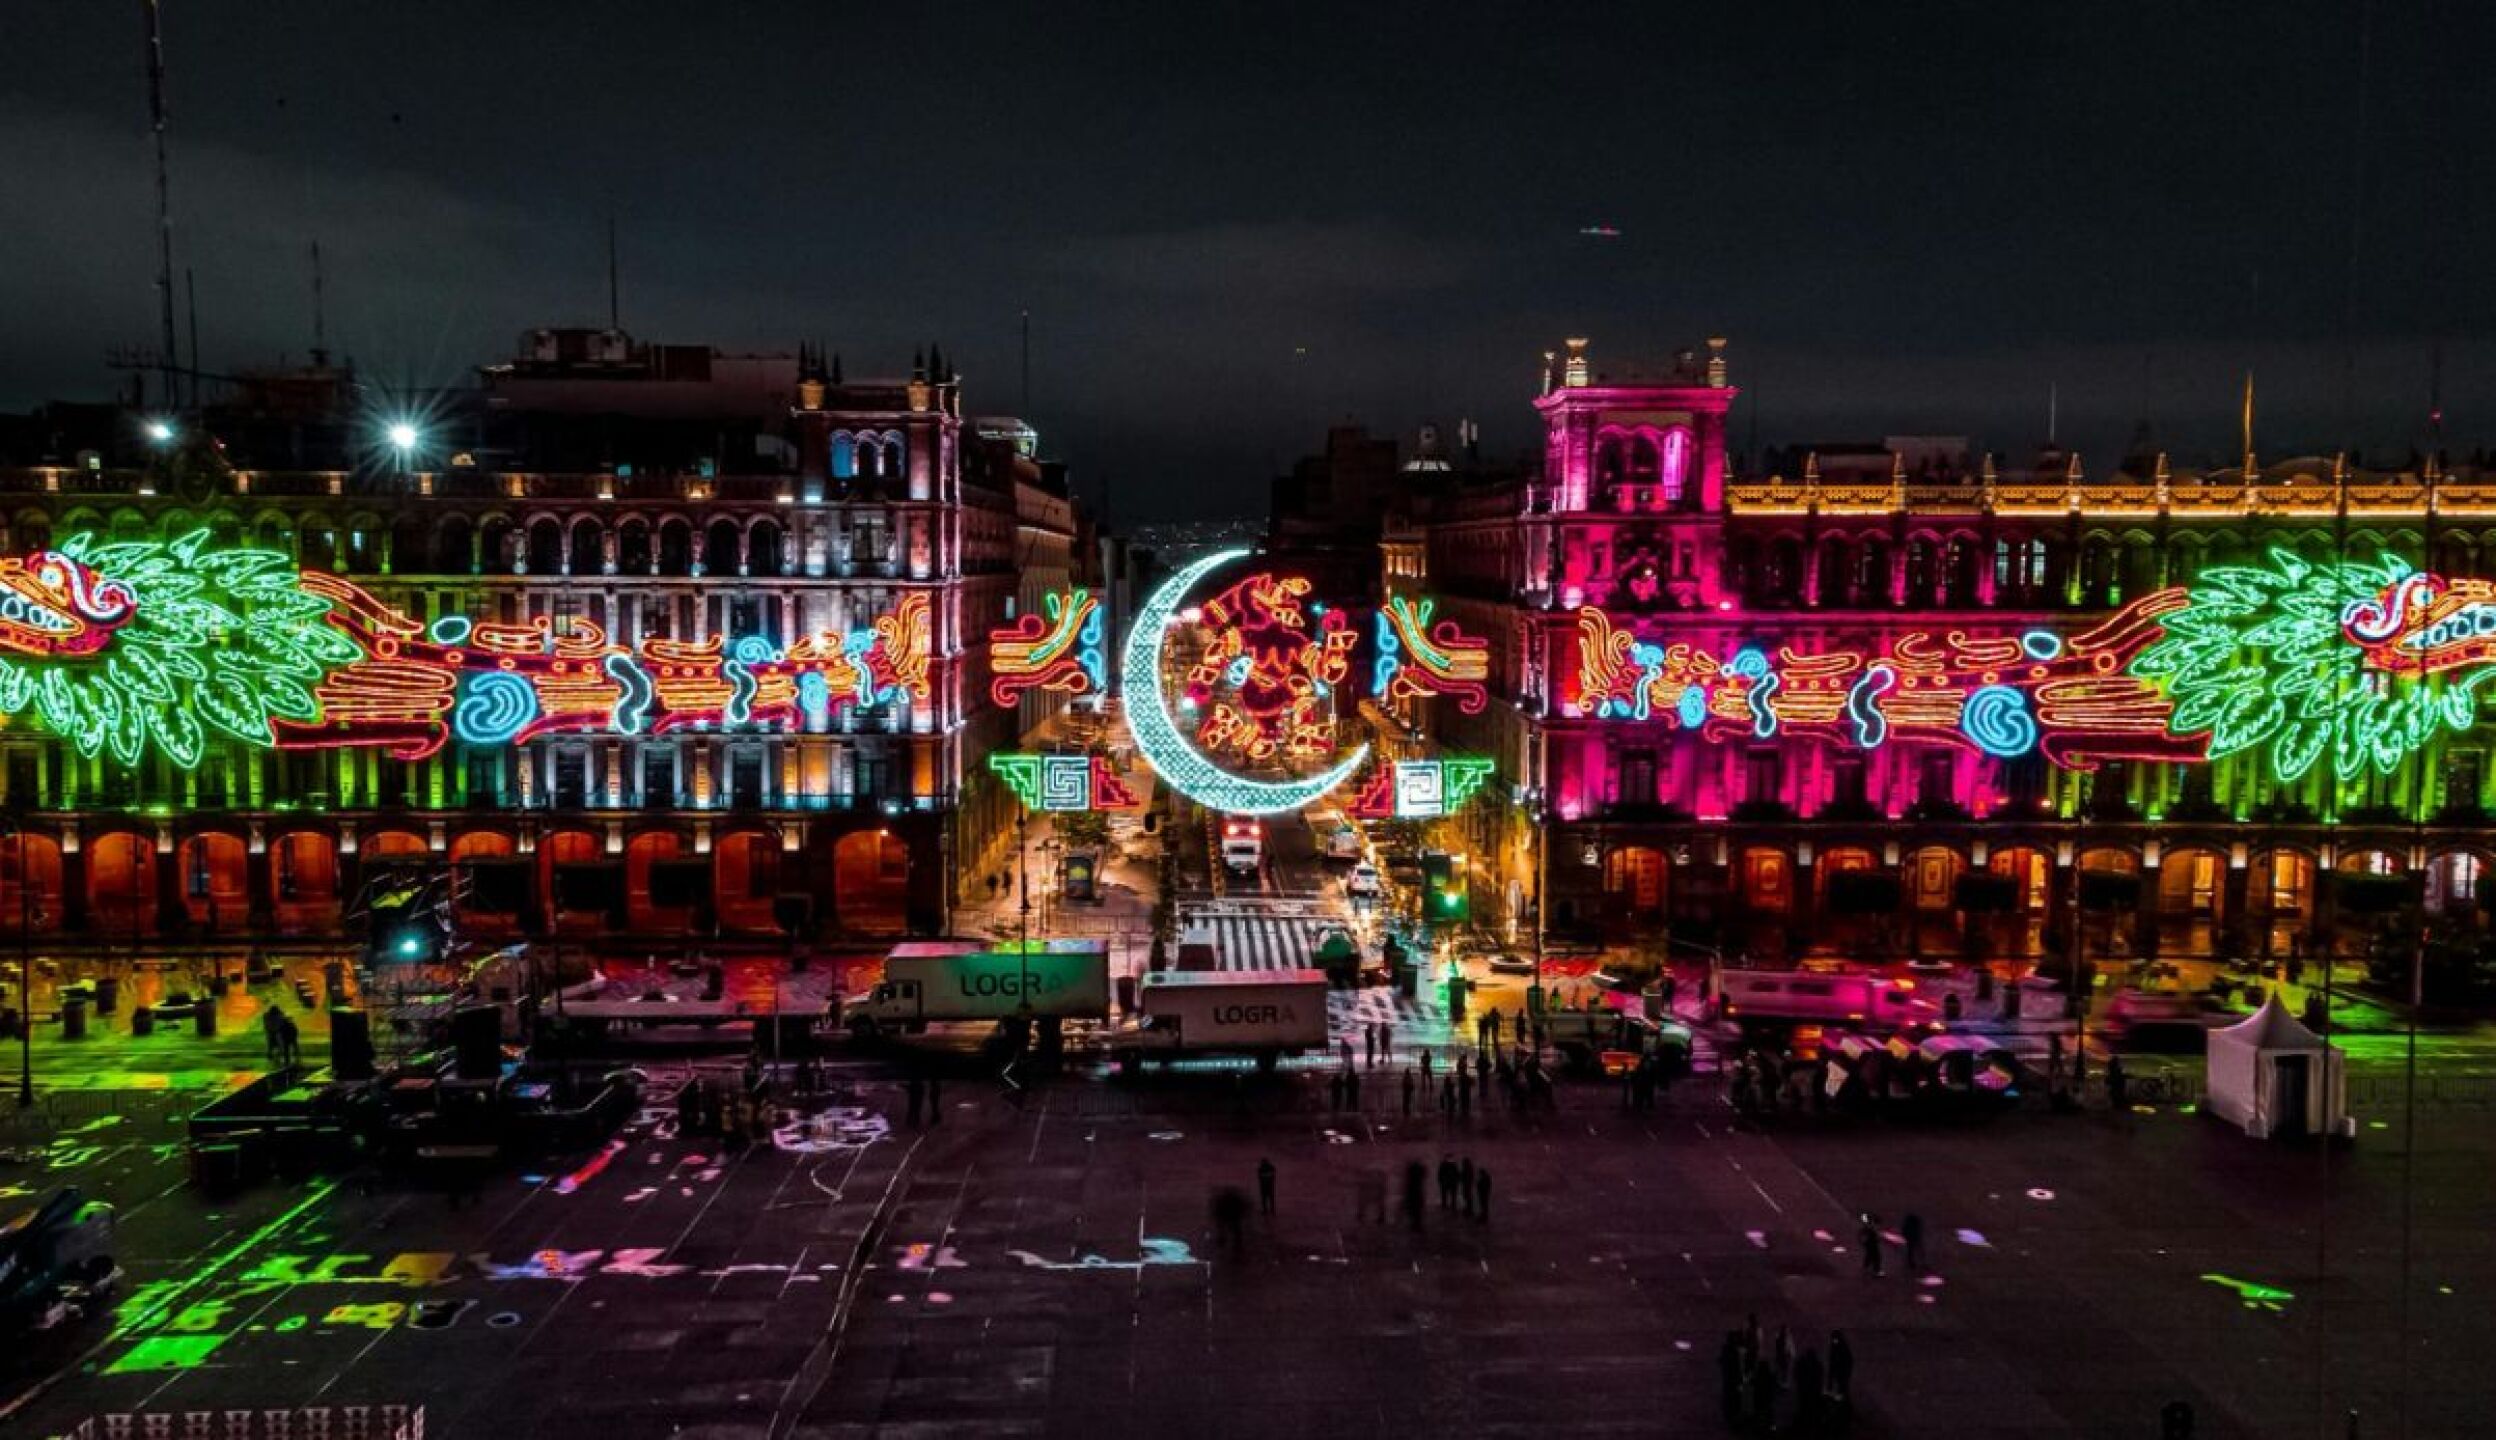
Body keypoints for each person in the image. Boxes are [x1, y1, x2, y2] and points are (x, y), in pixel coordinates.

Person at [1793, 1346, 1825, 1432]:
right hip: (1811, 1391)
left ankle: (1806, 1422)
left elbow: (1796, 1374)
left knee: (1806, 1406)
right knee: (1809, 1407)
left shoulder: (1803, 1364)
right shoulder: (1817, 1365)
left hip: (1806, 1390)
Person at [1212, 1186, 1249, 1254]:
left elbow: (1218, 1214)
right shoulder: (1232, 1201)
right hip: (1232, 1215)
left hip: (1230, 1215)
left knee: (1234, 1230)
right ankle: (1236, 1244)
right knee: (1236, 1230)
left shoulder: (1222, 1202)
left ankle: (1229, 1243)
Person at [1828, 1329, 1854, 1401]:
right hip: (1841, 1370)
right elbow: (1832, 1361)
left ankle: (1843, 1399)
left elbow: (1847, 1361)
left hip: (1843, 1370)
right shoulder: (1836, 1346)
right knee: (1842, 1386)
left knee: (1842, 1386)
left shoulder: (1841, 1347)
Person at [1402, 1160, 1426, 1229]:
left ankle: (1415, 1224)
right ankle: (1417, 1224)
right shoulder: (1419, 1178)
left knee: (1413, 1210)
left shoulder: (1410, 1179)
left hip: (1413, 1193)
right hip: (1417, 1193)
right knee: (1417, 1210)